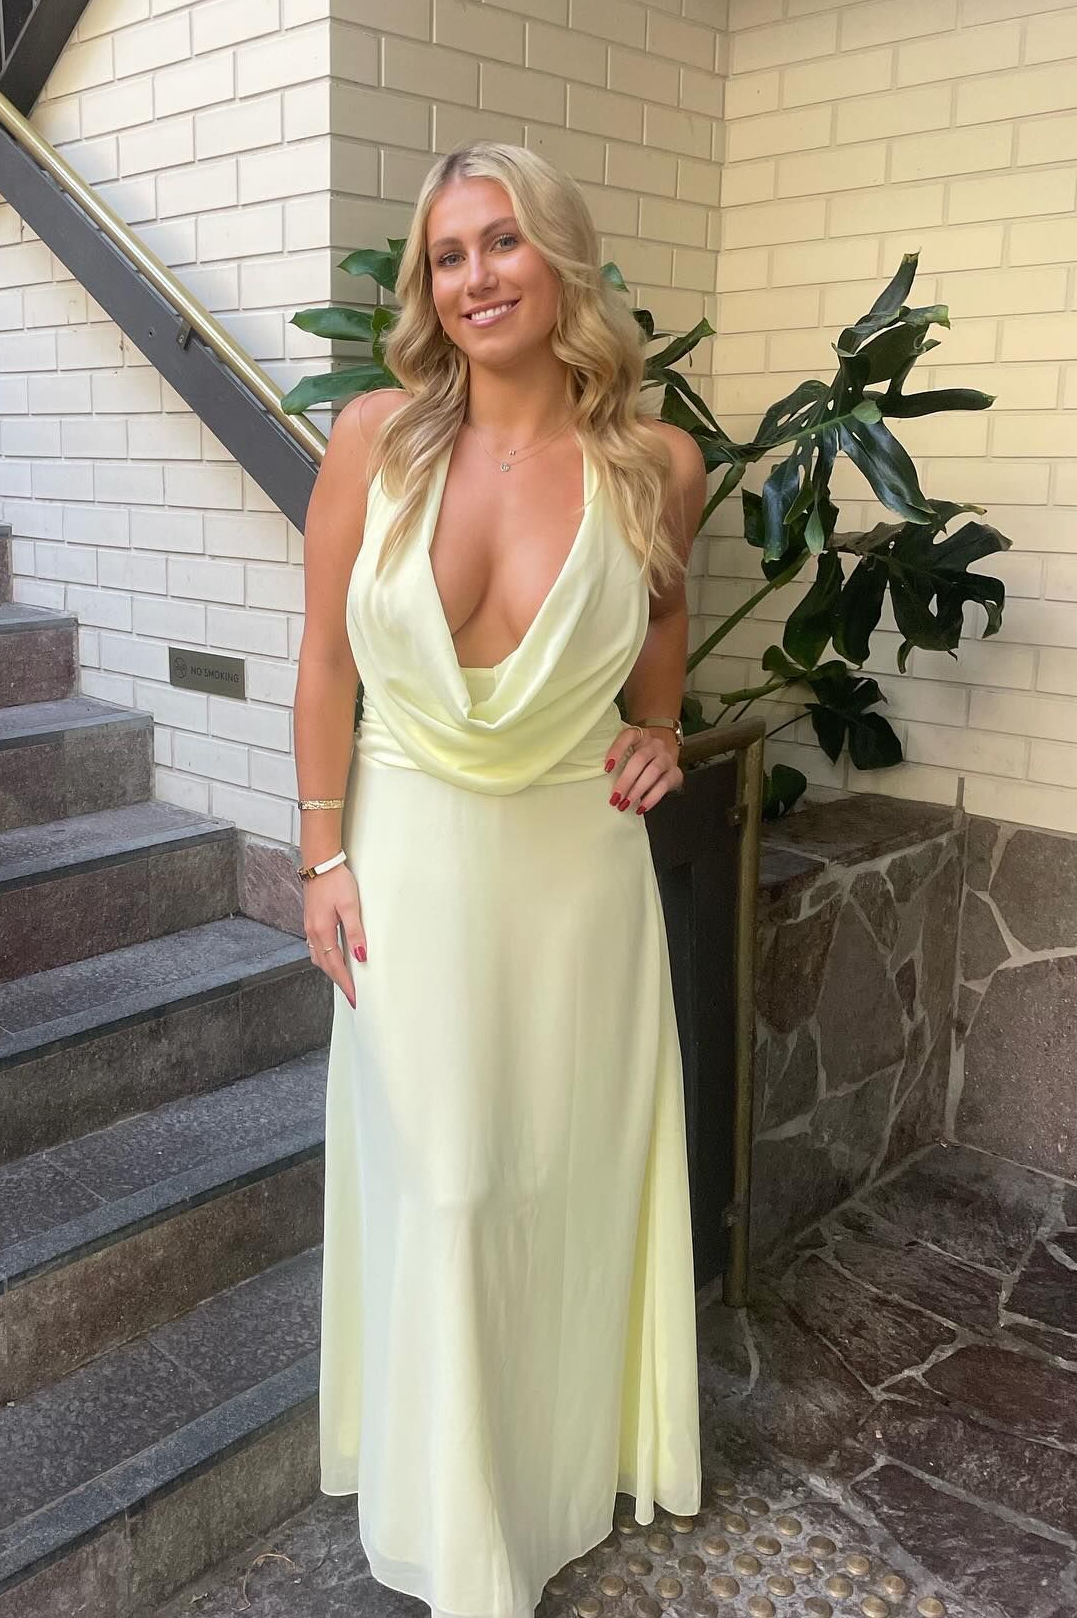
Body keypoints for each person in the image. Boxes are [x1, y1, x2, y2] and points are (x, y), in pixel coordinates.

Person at [294, 140, 708, 1618]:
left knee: (557, 1172)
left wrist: (660, 730)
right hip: (409, 851)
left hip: (574, 864)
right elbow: (325, 662)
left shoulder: (656, 465)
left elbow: (663, 622)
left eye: (503, 241)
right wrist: (321, 855)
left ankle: (546, 1479)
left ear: (561, 257)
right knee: (453, 1183)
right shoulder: (375, 439)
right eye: (449, 254)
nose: (475, 277)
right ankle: (458, 1521)